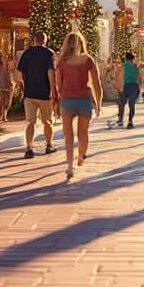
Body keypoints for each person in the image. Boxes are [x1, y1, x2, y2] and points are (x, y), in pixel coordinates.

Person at [54, 31, 102, 180]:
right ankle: (81, 155)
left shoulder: (62, 62)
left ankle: (69, 166)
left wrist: (59, 99)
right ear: (81, 43)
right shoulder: (88, 60)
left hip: (67, 101)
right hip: (84, 100)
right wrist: (98, 103)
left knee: (68, 136)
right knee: (83, 134)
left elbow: (58, 84)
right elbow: (97, 83)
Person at [17, 31, 57, 158]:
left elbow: (19, 75)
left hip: (29, 94)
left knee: (30, 122)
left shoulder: (27, 53)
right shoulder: (49, 53)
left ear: (34, 40)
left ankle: (29, 148)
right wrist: (54, 91)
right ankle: (49, 145)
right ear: (45, 41)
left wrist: (23, 87)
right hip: (44, 94)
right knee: (47, 121)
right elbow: (51, 73)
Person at [118, 51, 141, 128]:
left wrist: (119, 86)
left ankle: (121, 120)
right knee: (132, 104)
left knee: (122, 103)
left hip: (125, 86)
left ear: (126, 58)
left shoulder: (123, 66)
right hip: (134, 87)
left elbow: (120, 76)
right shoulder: (136, 67)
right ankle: (130, 121)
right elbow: (140, 78)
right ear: (132, 59)